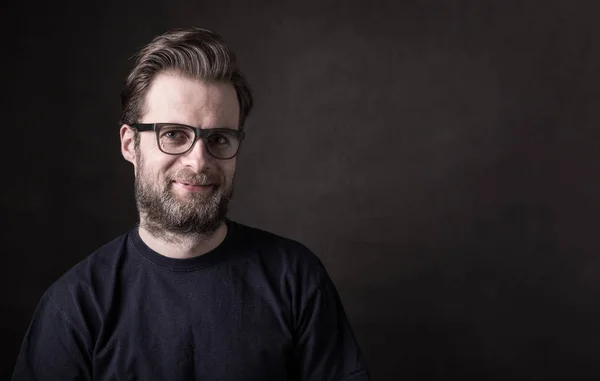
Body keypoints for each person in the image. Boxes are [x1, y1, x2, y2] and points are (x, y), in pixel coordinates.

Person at [11, 27, 370, 380]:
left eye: (218, 138)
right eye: (173, 135)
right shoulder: (75, 305)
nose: (198, 162)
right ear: (128, 144)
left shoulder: (296, 279)